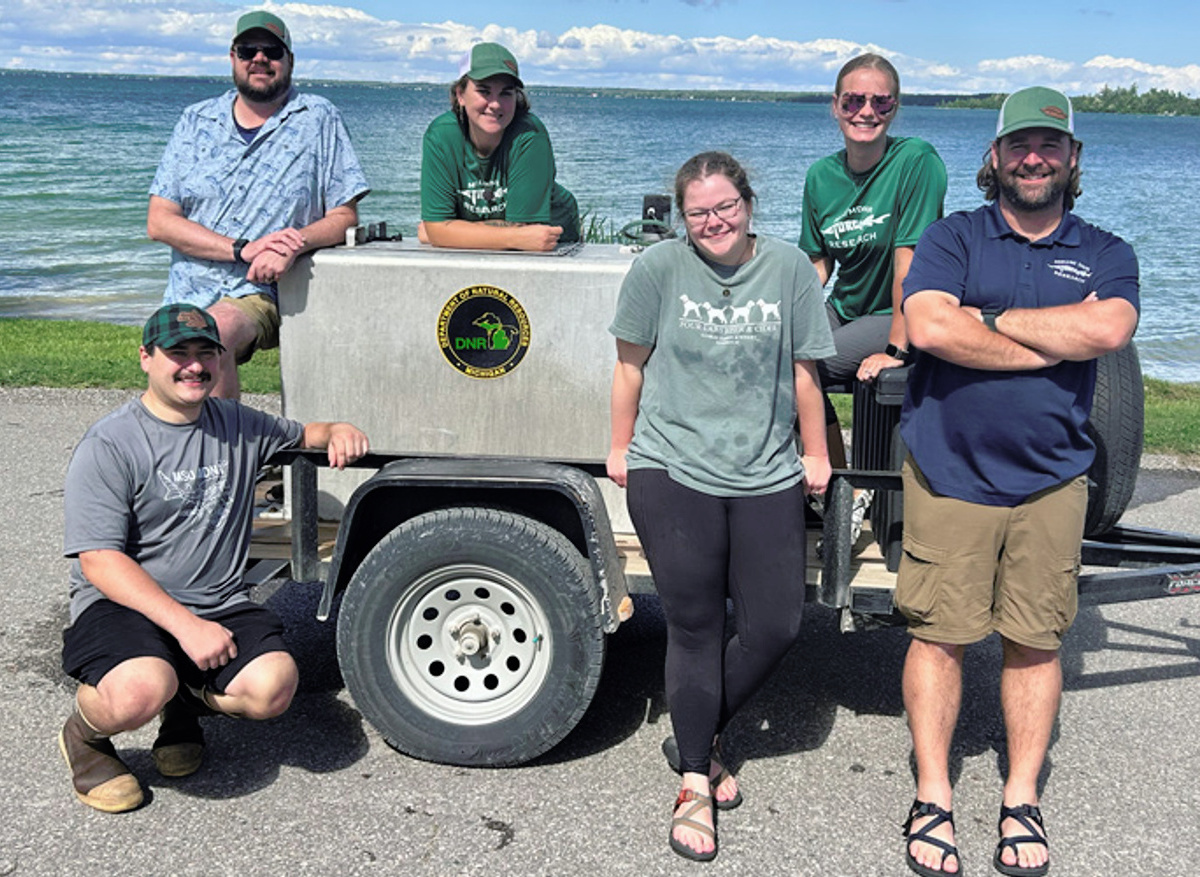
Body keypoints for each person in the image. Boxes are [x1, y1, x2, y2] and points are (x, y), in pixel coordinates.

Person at [896, 87, 1138, 877]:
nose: (1034, 159)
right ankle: (933, 795)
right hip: (950, 471)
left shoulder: (1106, 250)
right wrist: (1048, 338)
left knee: (1036, 640)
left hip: (1052, 479)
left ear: (1072, 160)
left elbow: (1107, 328)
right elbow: (928, 324)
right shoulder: (952, 235)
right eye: (1019, 146)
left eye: (1051, 146)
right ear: (994, 158)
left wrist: (988, 321)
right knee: (941, 636)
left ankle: (1019, 796)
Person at [607, 152, 834, 861]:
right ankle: (694, 783)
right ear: (683, 217)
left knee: (775, 624)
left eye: (726, 207)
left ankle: (696, 733)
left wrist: (816, 451)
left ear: (748, 203)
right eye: (699, 212)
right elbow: (628, 365)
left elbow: (805, 371)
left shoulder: (790, 269)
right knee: (696, 625)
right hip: (671, 466)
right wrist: (619, 446)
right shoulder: (658, 270)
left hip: (766, 469)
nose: (714, 222)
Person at [58, 303, 370, 813]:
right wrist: (186, 627)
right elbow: (99, 559)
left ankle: (182, 699)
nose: (195, 365)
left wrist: (336, 430)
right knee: (140, 690)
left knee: (273, 687)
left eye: (207, 353)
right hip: (123, 605)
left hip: (217, 600)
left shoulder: (237, 423)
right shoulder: (110, 443)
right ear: (145, 358)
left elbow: (304, 434)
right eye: (178, 353)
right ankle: (85, 738)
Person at [147, 10, 370, 399]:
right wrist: (241, 248)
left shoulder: (318, 118)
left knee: (208, 336)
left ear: (290, 61)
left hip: (264, 290)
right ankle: (207, 452)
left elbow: (344, 216)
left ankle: (227, 458)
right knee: (170, 375)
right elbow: (161, 221)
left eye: (272, 51)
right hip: (187, 290)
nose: (260, 59)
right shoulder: (195, 121)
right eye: (248, 50)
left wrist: (294, 242)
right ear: (233, 58)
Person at [798, 53, 946, 536]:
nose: (866, 111)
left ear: (895, 107)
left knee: (808, 367)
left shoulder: (915, 162)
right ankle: (833, 485)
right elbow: (817, 263)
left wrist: (895, 351)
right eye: (854, 100)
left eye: (880, 101)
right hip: (846, 306)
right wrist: (777, 314)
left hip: (897, 311)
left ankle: (846, 494)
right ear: (835, 107)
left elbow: (910, 263)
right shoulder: (821, 176)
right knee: (776, 357)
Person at [419, 42, 580, 251]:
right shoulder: (441, 136)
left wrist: (447, 232)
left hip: (556, 241)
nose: (495, 104)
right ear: (460, 95)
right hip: (497, 245)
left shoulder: (530, 135)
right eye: (484, 91)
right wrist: (440, 232)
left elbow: (527, 232)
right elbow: (517, 236)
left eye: (506, 93)